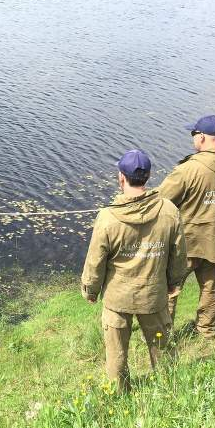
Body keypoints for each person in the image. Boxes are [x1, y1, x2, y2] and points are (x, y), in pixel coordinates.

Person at [81, 149, 188, 392]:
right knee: (162, 349)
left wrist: (90, 290)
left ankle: (120, 394)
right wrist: (174, 281)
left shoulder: (107, 217)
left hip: (117, 299)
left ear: (121, 177)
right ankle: (168, 389)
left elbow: (95, 261)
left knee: (116, 354)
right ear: (148, 177)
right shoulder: (169, 211)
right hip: (153, 295)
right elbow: (179, 254)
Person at [158, 115, 215, 340]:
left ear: (201, 137)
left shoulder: (188, 170)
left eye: (193, 134)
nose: (193, 139)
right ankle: (207, 330)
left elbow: (161, 203)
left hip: (187, 241)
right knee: (210, 286)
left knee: (170, 288)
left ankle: (164, 335)